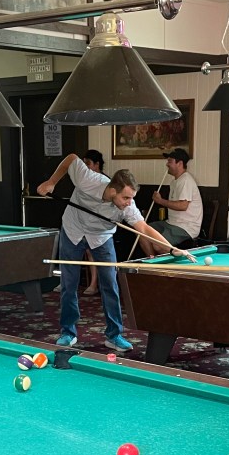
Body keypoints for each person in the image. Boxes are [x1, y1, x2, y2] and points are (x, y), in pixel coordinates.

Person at [37, 153, 170, 352]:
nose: (128, 202)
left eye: (131, 198)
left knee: (110, 284)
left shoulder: (128, 205)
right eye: (125, 197)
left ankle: (114, 335)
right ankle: (68, 332)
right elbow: (72, 158)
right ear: (112, 190)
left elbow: (143, 228)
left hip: (101, 237)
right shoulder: (89, 179)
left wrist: (171, 249)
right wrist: (51, 182)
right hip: (73, 231)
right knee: (69, 283)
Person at [138, 147, 203, 256]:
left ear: (180, 163)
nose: (167, 164)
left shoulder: (186, 180)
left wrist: (160, 201)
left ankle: (168, 266)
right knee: (141, 230)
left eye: (170, 161)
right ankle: (153, 262)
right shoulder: (175, 181)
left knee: (158, 245)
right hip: (171, 223)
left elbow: (183, 206)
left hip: (185, 227)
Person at [81, 149, 107, 296]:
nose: (85, 167)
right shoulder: (85, 181)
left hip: (100, 226)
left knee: (91, 250)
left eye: (88, 163)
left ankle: (93, 284)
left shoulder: (105, 182)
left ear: (97, 165)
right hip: (84, 223)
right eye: (84, 163)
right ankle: (67, 280)